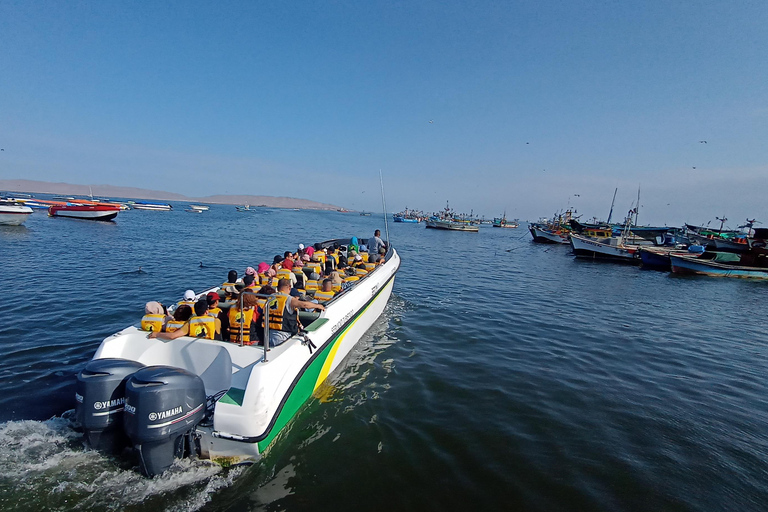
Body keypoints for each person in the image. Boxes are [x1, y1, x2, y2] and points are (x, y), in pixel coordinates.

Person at [267, 279, 324, 347]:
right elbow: (304, 305)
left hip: (269, 334)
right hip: (283, 336)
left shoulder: (270, 297)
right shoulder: (288, 299)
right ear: (289, 287)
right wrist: (318, 306)